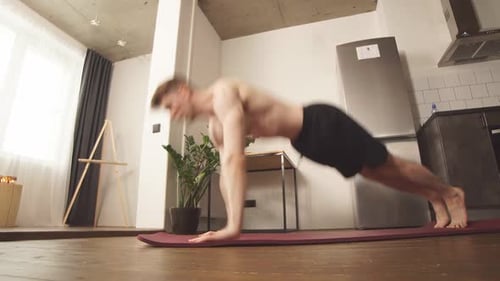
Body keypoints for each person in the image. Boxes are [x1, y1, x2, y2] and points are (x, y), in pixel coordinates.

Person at [151, 77, 468, 243]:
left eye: (170, 106)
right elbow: (225, 173)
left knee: (389, 164)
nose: (173, 114)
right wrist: (227, 224)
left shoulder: (223, 94)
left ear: (183, 90)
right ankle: (432, 196)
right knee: (374, 173)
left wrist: (234, 227)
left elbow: (235, 160)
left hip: (320, 122)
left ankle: (451, 193)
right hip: (306, 141)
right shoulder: (214, 125)